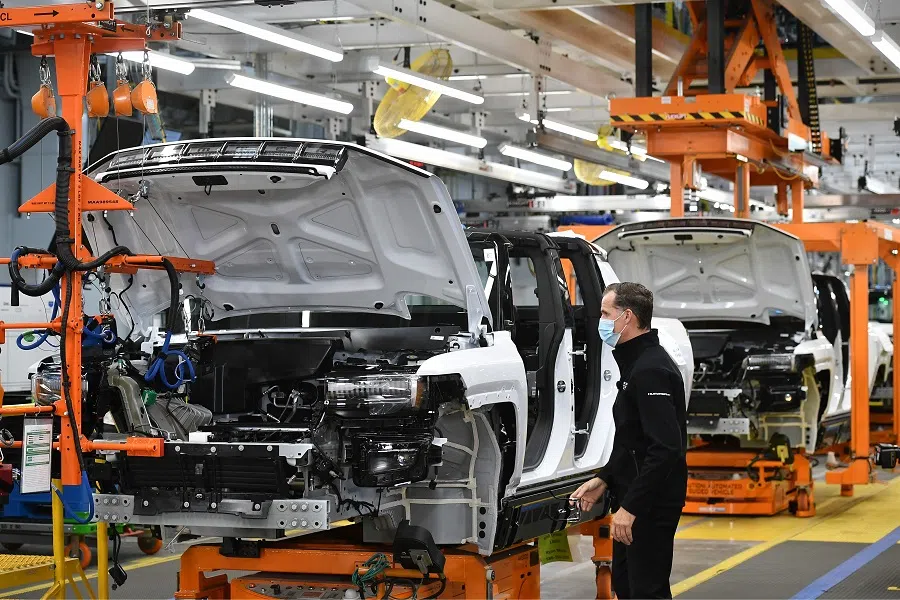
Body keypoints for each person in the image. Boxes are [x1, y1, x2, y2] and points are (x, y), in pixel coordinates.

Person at [570, 282, 687, 599]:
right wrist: (604, 479)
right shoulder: (635, 363)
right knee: (625, 584)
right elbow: (632, 440)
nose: (601, 320)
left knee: (646, 590)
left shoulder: (651, 370)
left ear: (628, 317)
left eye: (606, 313)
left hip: (651, 502)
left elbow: (665, 449)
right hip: (634, 494)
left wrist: (631, 508)